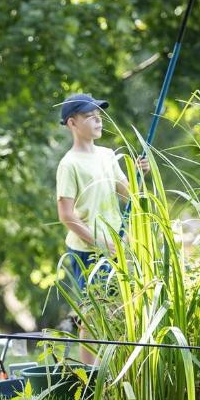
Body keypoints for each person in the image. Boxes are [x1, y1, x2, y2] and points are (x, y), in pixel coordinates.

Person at [55, 93, 149, 363]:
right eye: (89, 115)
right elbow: (66, 214)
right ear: (72, 123)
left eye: (99, 114)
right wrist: (99, 242)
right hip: (88, 250)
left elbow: (127, 195)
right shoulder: (69, 164)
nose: (98, 119)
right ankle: (91, 377)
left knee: (119, 309)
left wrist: (140, 173)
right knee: (93, 314)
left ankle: (112, 370)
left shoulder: (108, 155)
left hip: (116, 245)